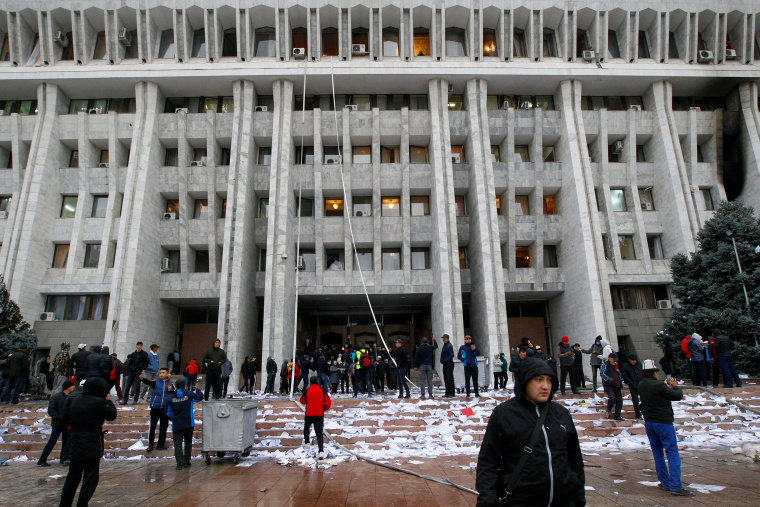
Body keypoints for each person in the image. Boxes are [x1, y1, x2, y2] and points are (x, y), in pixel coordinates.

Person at [475, 358, 585, 506]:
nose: (545, 386)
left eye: (549, 380)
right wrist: (487, 501)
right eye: (539, 379)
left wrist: (578, 497)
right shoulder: (505, 414)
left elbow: (575, 460)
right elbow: (488, 462)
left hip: (563, 501)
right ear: (525, 381)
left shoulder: (561, 414)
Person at [638, 359, 695, 496]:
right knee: (672, 452)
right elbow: (677, 396)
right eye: (657, 372)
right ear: (653, 373)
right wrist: (674, 386)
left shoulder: (641, 385)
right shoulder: (659, 386)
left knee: (657, 453)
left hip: (649, 422)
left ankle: (664, 482)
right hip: (663, 422)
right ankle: (676, 486)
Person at [59, 377, 117, 507]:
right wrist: (108, 401)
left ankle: (64, 504)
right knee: (90, 479)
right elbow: (112, 415)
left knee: (72, 477)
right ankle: (82, 504)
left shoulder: (75, 400)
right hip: (91, 443)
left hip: (75, 441)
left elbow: (65, 418)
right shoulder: (99, 402)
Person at [167, 378, 203, 470]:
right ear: (185, 385)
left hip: (177, 424)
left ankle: (179, 463)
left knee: (177, 444)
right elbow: (199, 397)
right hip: (188, 423)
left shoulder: (171, 397)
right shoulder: (189, 394)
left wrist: (172, 419)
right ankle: (187, 461)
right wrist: (198, 389)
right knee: (188, 442)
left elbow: (168, 411)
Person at [38, 380, 74, 466]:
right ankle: (42, 459)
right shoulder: (56, 397)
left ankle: (64, 458)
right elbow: (51, 409)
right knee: (52, 441)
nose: (74, 388)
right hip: (57, 423)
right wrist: (59, 417)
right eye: (72, 386)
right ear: (68, 387)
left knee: (66, 441)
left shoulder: (70, 397)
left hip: (66, 423)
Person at [140, 367, 174, 452]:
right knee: (153, 426)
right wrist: (142, 378)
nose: (161, 374)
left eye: (163, 373)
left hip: (165, 408)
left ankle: (160, 444)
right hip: (155, 407)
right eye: (160, 373)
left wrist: (171, 390)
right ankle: (150, 444)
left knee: (164, 427)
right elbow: (148, 382)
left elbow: (174, 394)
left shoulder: (170, 383)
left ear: (167, 374)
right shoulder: (155, 382)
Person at [300, 375, 332, 460]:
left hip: (309, 414)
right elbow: (328, 402)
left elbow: (302, 401)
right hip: (319, 414)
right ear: (318, 382)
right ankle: (321, 451)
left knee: (306, 427)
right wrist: (324, 408)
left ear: (310, 382)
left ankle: (307, 442)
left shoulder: (307, 391)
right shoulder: (322, 390)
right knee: (319, 432)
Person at [601, 352, 623, 420]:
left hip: (617, 385)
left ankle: (617, 416)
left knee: (619, 401)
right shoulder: (605, 365)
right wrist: (609, 379)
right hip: (609, 385)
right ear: (610, 358)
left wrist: (620, 381)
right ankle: (609, 408)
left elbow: (619, 374)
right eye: (613, 359)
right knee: (612, 398)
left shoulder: (616, 365)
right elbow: (602, 373)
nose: (614, 361)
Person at [621, 353, 643, 420]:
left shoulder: (639, 365)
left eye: (635, 360)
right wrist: (630, 383)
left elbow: (642, 373)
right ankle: (638, 415)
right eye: (632, 360)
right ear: (629, 360)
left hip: (641, 384)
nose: (634, 362)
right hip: (632, 385)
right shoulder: (625, 366)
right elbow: (625, 375)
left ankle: (641, 409)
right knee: (635, 401)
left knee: (644, 400)